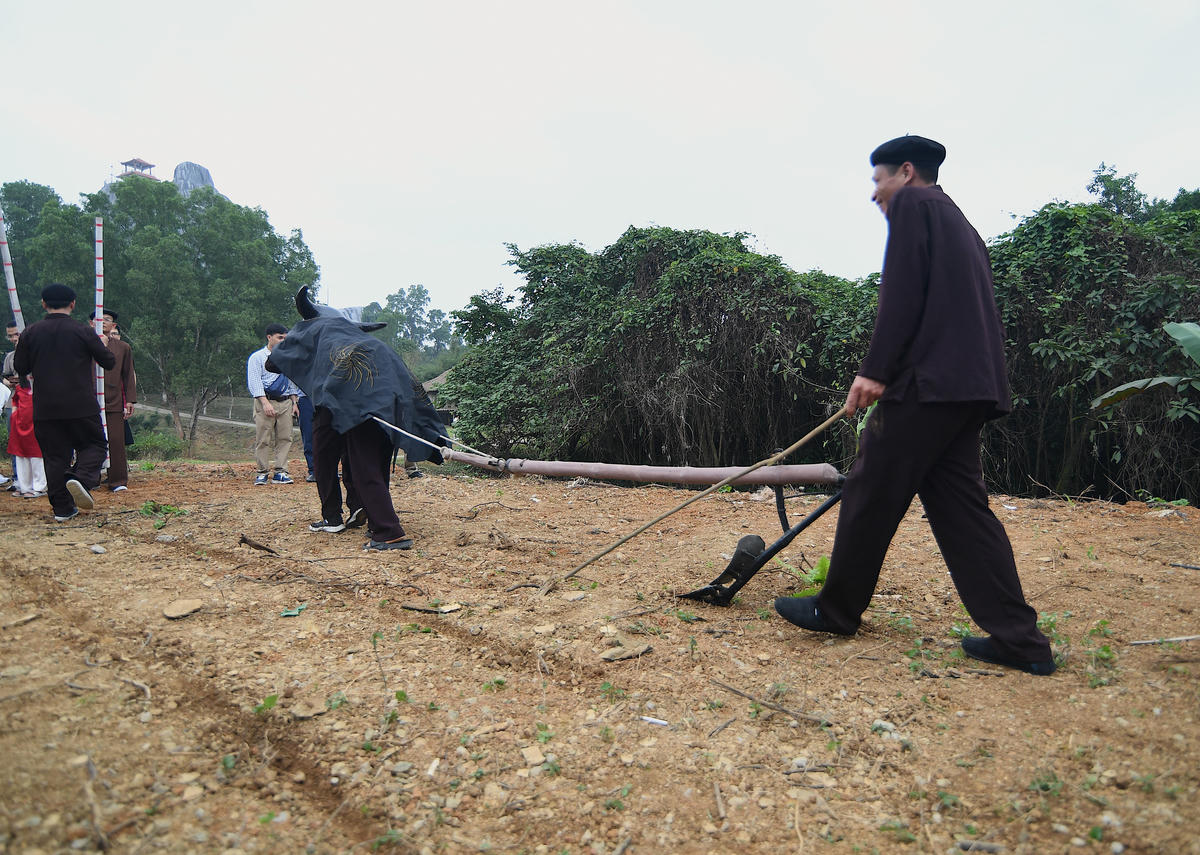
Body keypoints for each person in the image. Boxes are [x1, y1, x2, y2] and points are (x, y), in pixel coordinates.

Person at [773, 135, 1055, 676]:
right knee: (962, 512)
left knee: (870, 488)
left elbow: (901, 294)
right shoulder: (961, 223)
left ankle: (835, 610)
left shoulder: (914, 205)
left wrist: (876, 371)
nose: (875, 194)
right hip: (968, 388)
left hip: (929, 386)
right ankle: (1021, 641)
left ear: (906, 173)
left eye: (878, 180)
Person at [266, 287, 446, 551]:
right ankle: (371, 518)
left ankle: (388, 531)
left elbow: (274, 363)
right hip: (384, 403)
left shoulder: (322, 334)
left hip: (355, 403)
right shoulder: (371, 344)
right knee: (375, 461)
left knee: (363, 463)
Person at [13, 283, 116, 521]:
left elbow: (21, 367)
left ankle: (62, 509)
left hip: (45, 408)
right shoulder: (82, 331)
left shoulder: (31, 332)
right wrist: (102, 345)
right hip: (80, 405)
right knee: (95, 446)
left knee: (54, 457)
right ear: (73, 304)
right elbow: (108, 362)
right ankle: (79, 479)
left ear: (43, 304)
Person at [89, 309, 137, 492]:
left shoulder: (123, 348)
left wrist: (130, 400)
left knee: (116, 442)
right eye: (98, 319)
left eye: (107, 320)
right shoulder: (83, 345)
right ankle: (89, 479)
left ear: (113, 325)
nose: (102, 322)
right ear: (91, 323)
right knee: (89, 441)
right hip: (88, 401)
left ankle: (117, 481)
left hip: (114, 401)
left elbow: (128, 375)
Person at [246, 323, 298, 485]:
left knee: (285, 438)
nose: (283, 341)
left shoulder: (288, 357)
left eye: (285, 338)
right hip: (265, 402)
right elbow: (254, 382)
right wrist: (264, 402)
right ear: (269, 337)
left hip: (285, 402)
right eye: (279, 337)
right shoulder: (257, 357)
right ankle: (262, 472)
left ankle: (281, 471)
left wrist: (294, 402)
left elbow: (292, 382)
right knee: (263, 439)